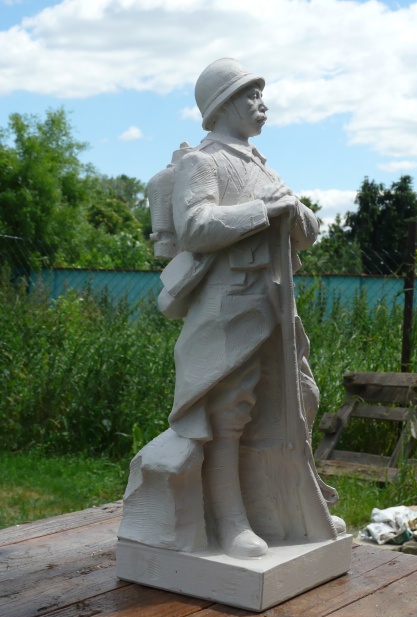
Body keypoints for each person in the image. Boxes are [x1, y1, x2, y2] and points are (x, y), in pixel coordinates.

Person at [118, 58, 343, 560]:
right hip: (229, 306)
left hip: (276, 307)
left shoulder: (263, 165)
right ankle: (231, 522)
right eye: (250, 95)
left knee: (296, 401)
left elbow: (305, 233)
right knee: (229, 415)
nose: (263, 104)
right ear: (222, 104)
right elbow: (195, 227)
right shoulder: (204, 162)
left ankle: (289, 509)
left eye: (261, 94)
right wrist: (265, 209)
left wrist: (295, 211)